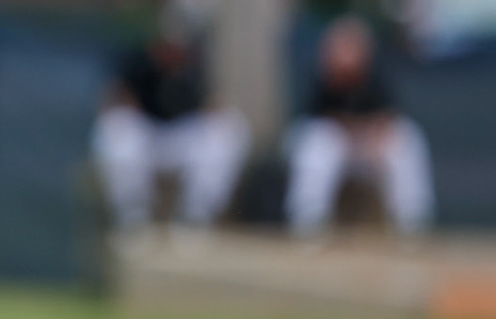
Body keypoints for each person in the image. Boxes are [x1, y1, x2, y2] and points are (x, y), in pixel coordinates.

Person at [91, 16, 248, 228]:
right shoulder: (136, 64)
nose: (172, 52)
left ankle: (197, 217)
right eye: (167, 45)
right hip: (147, 137)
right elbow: (113, 103)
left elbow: (210, 106)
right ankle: (133, 217)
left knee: (231, 125)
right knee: (117, 127)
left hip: (182, 138)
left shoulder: (194, 68)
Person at [286, 16, 434, 237]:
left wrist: (373, 136)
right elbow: (314, 119)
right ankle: (308, 226)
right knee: (318, 145)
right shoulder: (321, 74)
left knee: (407, 139)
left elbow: (391, 114)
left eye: (352, 47)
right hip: (335, 146)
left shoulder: (376, 74)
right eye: (341, 47)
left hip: (368, 146)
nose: (347, 54)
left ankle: (413, 226)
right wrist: (353, 133)